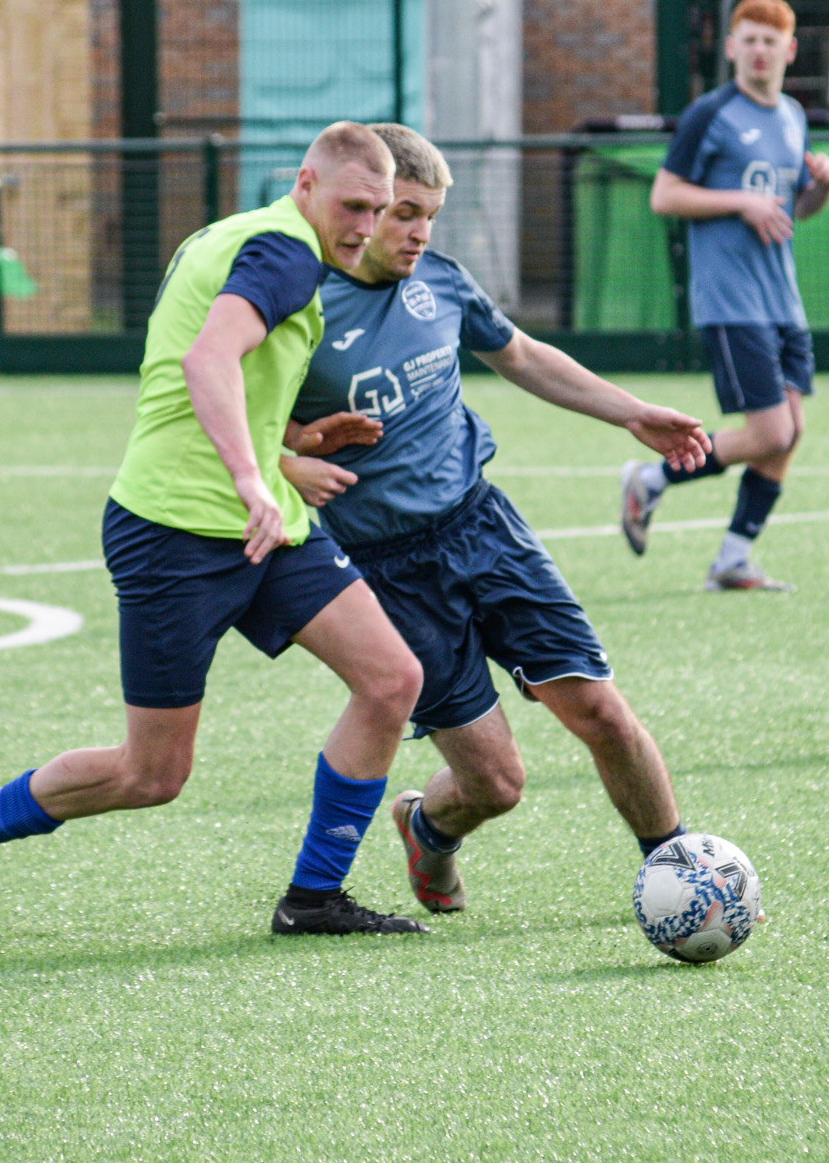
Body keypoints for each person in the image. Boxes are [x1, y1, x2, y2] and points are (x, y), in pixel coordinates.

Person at [0, 121, 436, 939]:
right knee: (151, 774)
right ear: (305, 184)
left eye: (379, 210)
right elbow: (205, 361)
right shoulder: (286, 254)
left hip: (265, 526)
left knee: (391, 680)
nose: (365, 227)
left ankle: (313, 897)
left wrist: (290, 445)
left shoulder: (232, 235)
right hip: (176, 531)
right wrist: (248, 478)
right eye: (353, 206)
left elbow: (200, 367)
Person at [282, 121, 710, 917]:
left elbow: (518, 353)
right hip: (386, 571)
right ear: (365, 206)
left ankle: (683, 875)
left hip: (483, 528)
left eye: (430, 216)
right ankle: (427, 828)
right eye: (403, 213)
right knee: (497, 783)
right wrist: (287, 461)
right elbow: (233, 421)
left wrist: (631, 412)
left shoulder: (440, 282)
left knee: (601, 710)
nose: (417, 233)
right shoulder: (295, 303)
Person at [619, 0, 829, 589]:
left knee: (789, 435)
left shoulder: (793, 115)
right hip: (731, 300)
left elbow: (794, 212)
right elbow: (664, 195)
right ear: (730, 47)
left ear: (790, 51)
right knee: (771, 433)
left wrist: (823, 186)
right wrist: (740, 201)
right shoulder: (710, 114)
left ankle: (732, 559)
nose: (759, 51)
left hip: (783, 300)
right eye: (749, 40)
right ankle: (650, 479)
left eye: (770, 41)